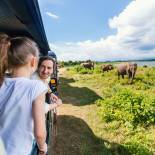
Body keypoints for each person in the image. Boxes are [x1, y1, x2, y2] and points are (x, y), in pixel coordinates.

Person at [0, 33, 47, 155]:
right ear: (33, 61)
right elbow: (40, 133)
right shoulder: (36, 87)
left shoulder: (1, 83)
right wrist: (42, 147)